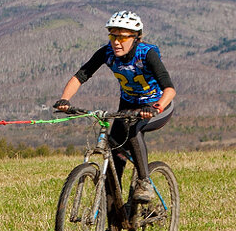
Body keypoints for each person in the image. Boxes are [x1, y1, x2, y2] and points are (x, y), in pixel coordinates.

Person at [53, 10, 176, 204]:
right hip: (126, 107)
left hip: (157, 106)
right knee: (114, 164)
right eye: (113, 36)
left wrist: (156, 107)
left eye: (122, 37)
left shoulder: (147, 54)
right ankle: (113, 229)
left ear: (136, 38)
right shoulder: (107, 53)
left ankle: (144, 182)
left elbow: (169, 89)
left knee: (133, 130)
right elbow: (81, 76)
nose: (116, 42)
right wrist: (64, 99)